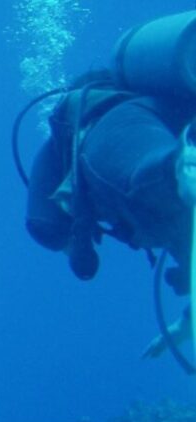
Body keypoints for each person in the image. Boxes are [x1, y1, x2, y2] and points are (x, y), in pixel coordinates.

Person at [21, 12, 196, 359]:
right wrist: (189, 321)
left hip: (127, 137)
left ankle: (181, 166)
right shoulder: (157, 107)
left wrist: (177, 168)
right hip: (164, 132)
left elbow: (45, 225)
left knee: (157, 174)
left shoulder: (92, 131)